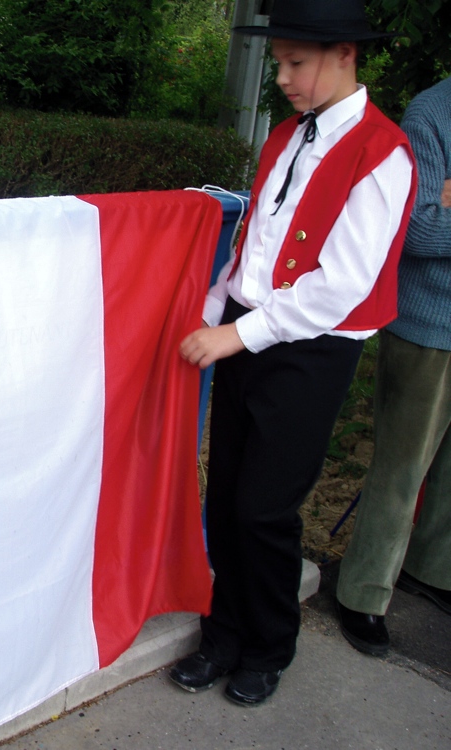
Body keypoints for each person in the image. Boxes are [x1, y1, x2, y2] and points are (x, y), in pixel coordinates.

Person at [172, 0, 415, 706]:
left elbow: (338, 286)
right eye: (278, 62)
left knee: (265, 507)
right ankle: (223, 633)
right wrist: (216, 308)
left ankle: (268, 643)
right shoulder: (286, 135)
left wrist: (236, 334)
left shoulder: (382, 152)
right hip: (250, 329)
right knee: (227, 495)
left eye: (296, 63)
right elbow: (257, 245)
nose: (281, 76)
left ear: (346, 55)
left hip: (310, 351)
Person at [335, 74, 451, 656]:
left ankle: (431, 572)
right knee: (402, 471)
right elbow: (422, 228)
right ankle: (362, 593)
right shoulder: (432, 114)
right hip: (430, 325)